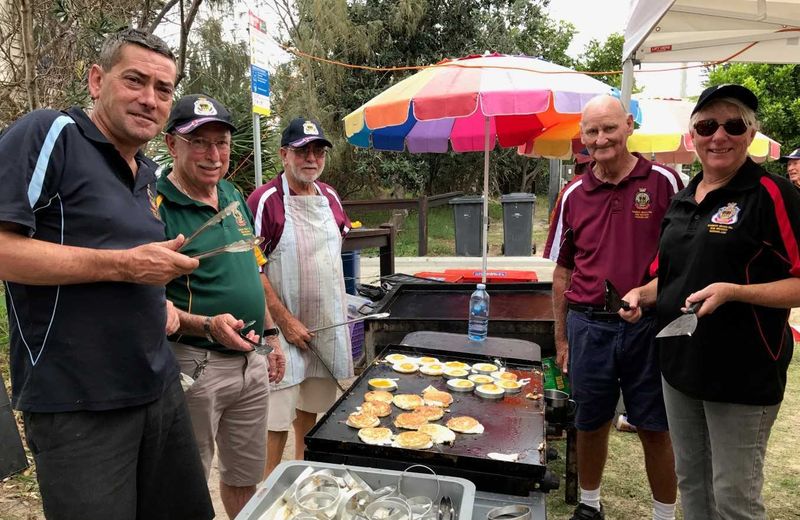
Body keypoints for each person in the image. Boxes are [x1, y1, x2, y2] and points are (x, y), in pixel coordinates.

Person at [0, 29, 214, 519]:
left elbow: (128, 276)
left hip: (158, 388)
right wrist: (124, 265)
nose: (150, 99)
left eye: (163, 90)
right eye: (134, 81)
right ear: (97, 80)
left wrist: (173, 310)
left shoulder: (146, 174)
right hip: (79, 404)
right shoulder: (50, 133)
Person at [621, 84, 800, 520]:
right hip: (680, 365)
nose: (719, 136)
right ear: (693, 136)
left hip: (743, 372)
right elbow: (673, 274)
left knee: (733, 499)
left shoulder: (772, 194)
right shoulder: (684, 196)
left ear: (750, 133)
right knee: (692, 483)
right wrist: (640, 295)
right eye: (707, 125)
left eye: (732, 125)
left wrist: (735, 292)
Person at [543, 95, 682, 520]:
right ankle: (589, 506)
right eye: (592, 131)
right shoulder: (572, 193)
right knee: (589, 421)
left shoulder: (666, 182)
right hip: (588, 324)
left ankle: (662, 514)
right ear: (581, 136)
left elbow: (683, 263)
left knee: (655, 426)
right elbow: (563, 272)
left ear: (628, 126)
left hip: (649, 326)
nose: (600, 139)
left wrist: (647, 294)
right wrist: (562, 338)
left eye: (609, 128)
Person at [156, 94, 286, 518]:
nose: (213, 155)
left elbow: (254, 269)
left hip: (251, 360)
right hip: (196, 365)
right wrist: (206, 325)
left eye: (222, 143)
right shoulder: (155, 205)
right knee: (188, 482)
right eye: (199, 143)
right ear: (172, 144)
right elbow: (147, 299)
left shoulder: (232, 193)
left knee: (244, 475)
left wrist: (271, 334)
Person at [246, 117, 353, 478]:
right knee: (276, 419)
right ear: (283, 155)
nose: (311, 158)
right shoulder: (265, 201)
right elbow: (251, 266)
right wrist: (283, 322)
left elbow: (335, 250)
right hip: (280, 330)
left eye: (318, 150)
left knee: (311, 411)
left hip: (325, 323)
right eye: (302, 150)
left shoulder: (331, 197)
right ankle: (263, 494)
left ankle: (302, 486)